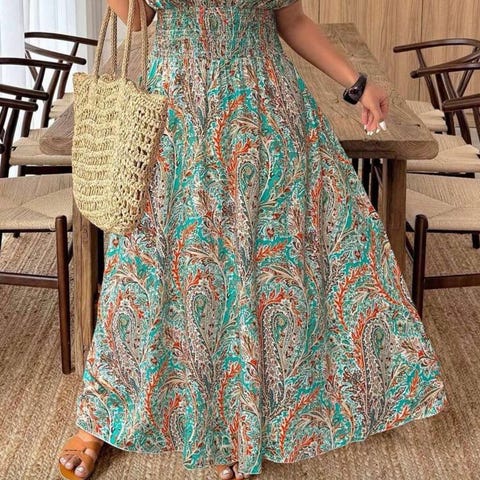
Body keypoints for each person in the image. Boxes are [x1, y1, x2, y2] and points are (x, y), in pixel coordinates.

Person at [57, 0, 448, 479]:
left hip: (266, 112)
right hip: (178, 115)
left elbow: (292, 20)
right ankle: (102, 415)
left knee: (272, 265)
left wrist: (357, 82)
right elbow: (136, 18)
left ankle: (237, 421)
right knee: (147, 266)